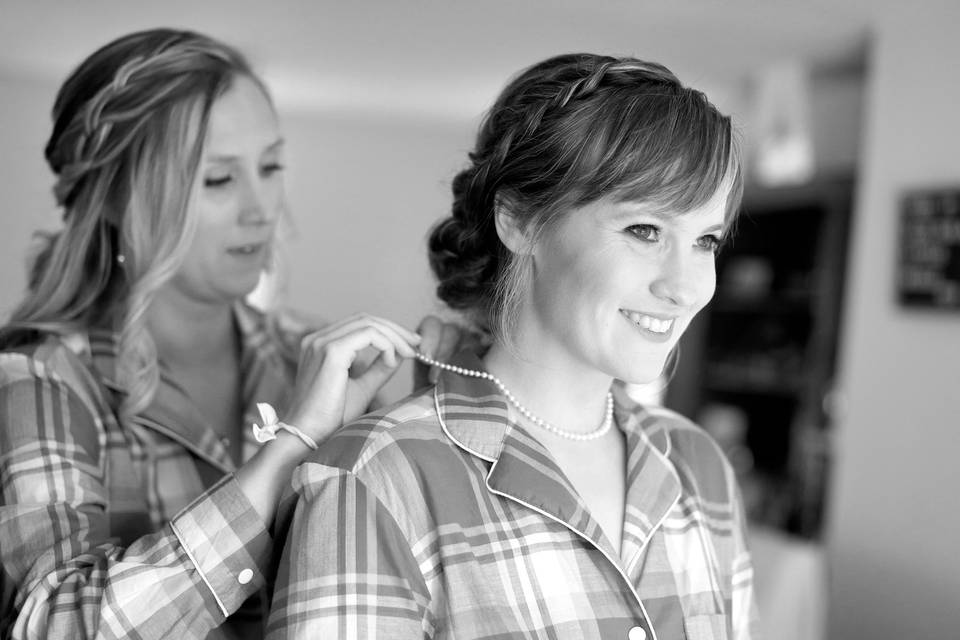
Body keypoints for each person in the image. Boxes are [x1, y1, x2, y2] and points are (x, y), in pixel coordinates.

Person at [267, 53, 759, 639]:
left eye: (706, 240)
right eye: (645, 230)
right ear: (520, 220)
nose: (684, 287)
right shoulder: (377, 476)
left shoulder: (699, 466)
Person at [0, 28, 459, 639]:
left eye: (270, 167)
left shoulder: (314, 354)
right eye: (218, 179)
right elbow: (52, 626)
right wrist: (291, 446)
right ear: (113, 199)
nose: (260, 207)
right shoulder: (39, 380)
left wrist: (439, 422)